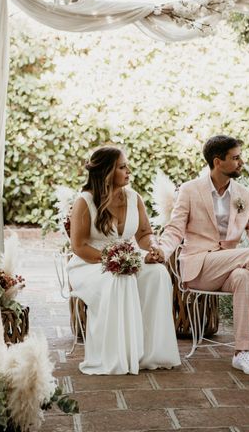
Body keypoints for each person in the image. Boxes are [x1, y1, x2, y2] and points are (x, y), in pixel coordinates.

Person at [149, 135, 249, 375]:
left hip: (226, 267)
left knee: (242, 277)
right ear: (218, 162)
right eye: (235, 158)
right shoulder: (190, 190)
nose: (241, 162)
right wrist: (162, 251)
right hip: (198, 267)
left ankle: (242, 352)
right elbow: (174, 229)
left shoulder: (245, 195)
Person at [67, 145, 181, 375]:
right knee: (119, 278)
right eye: (122, 167)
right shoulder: (85, 202)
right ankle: (116, 356)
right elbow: (78, 246)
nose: (128, 170)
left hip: (128, 257)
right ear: (107, 172)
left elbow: (143, 234)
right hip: (91, 262)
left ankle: (150, 353)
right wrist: (112, 260)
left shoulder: (133, 198)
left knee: (158, 273)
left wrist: (154, 248)